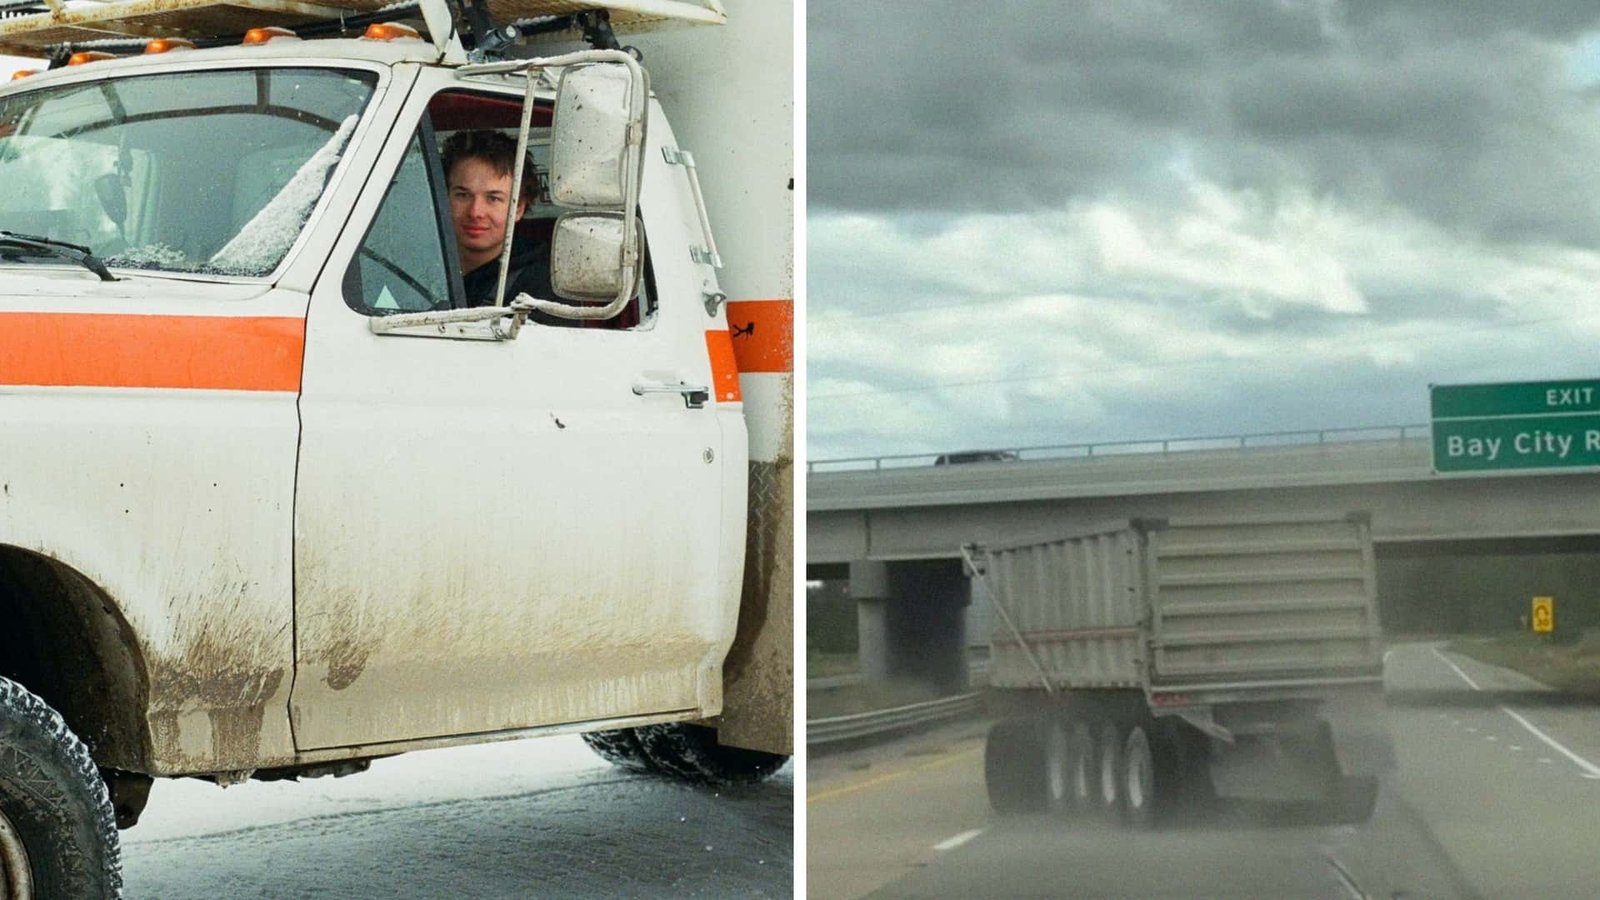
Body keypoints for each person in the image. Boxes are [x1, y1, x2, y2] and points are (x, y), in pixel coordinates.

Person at [439, 129, 555, 310]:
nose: (476, 212)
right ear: (442, 198)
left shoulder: (543, 287)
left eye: (493, 198)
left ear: (519, 208)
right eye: (462, 195)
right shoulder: (416, 265)